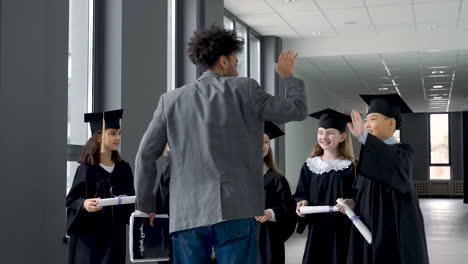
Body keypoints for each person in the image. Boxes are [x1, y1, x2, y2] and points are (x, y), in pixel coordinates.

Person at [134, 25, 307, 263]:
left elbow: (145, 154)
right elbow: (296, 110)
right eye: (236, 62)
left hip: (187, 214)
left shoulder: (170, 100)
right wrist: (288, 76)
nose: (237, 70)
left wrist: (146, 205)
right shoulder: (245, 89)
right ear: (223, 61)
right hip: (236, 210)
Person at [339, 93, 429, 264]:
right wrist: (353, 202)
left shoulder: (403, 152)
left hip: (392, 230)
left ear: (391, 123)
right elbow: (364, 193)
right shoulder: (368, 158)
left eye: (372, 119)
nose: (366, 125)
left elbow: (391, 168)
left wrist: (364, 138)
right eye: (365, 121)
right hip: (368, 229)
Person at [66, 109, 135, 264]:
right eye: (112, 133)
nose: (118, 137)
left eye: (119, 133)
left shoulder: (123, 169)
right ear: (98, 136)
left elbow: (131, 206)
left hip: (114, 238)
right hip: (89, 239)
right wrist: (84, 204)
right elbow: (71, 200)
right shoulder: (86, 169)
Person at [294, 109, 356, 264]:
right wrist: (301, 202)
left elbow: (358, 194)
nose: (324, 137)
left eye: (330, 133)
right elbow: (301, 192)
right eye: (320, 132)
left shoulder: (350, 167)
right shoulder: (310, 166)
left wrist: (352, 201)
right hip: (317, 228)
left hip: (342, 229)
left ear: (342, 137)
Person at [256, 121, 297, 264]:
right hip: (239, 241)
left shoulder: (277, 180)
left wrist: (270, 213)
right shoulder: (235, 178)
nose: (261, 145)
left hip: (268, 242)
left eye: (265, 141)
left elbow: (289, 209)